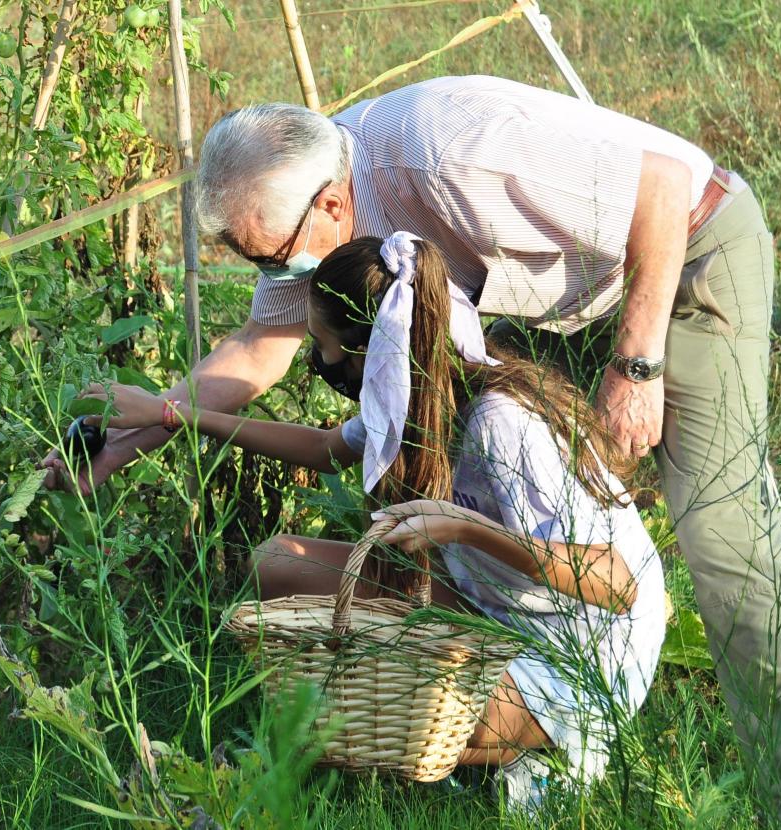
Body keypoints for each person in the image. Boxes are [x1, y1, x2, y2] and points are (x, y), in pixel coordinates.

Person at [42, 75, 781, 813]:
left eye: (272, 260)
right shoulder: (344, 251)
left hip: (681, 252)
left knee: (727, 543)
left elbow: (657, 187)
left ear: (333, 204)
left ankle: (772, 785)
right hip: (559, 299)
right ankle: (498, 719)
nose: (276, 282)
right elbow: (258, 350)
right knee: (520, 505)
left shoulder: (448, 150)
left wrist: (635, 366)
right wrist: (128, 439)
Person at [80, 234, 666, 810]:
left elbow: (616, 582)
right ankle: (272, 764)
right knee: (278, 563)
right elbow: (320, 448)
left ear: (369, 351)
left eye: (325, 346)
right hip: (498, 604)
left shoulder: (496, 424)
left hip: (584, 651)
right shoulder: (409, 393)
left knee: (412, 715)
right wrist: (170, 413)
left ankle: (241, 783)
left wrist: (465, 528)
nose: (318, 363)